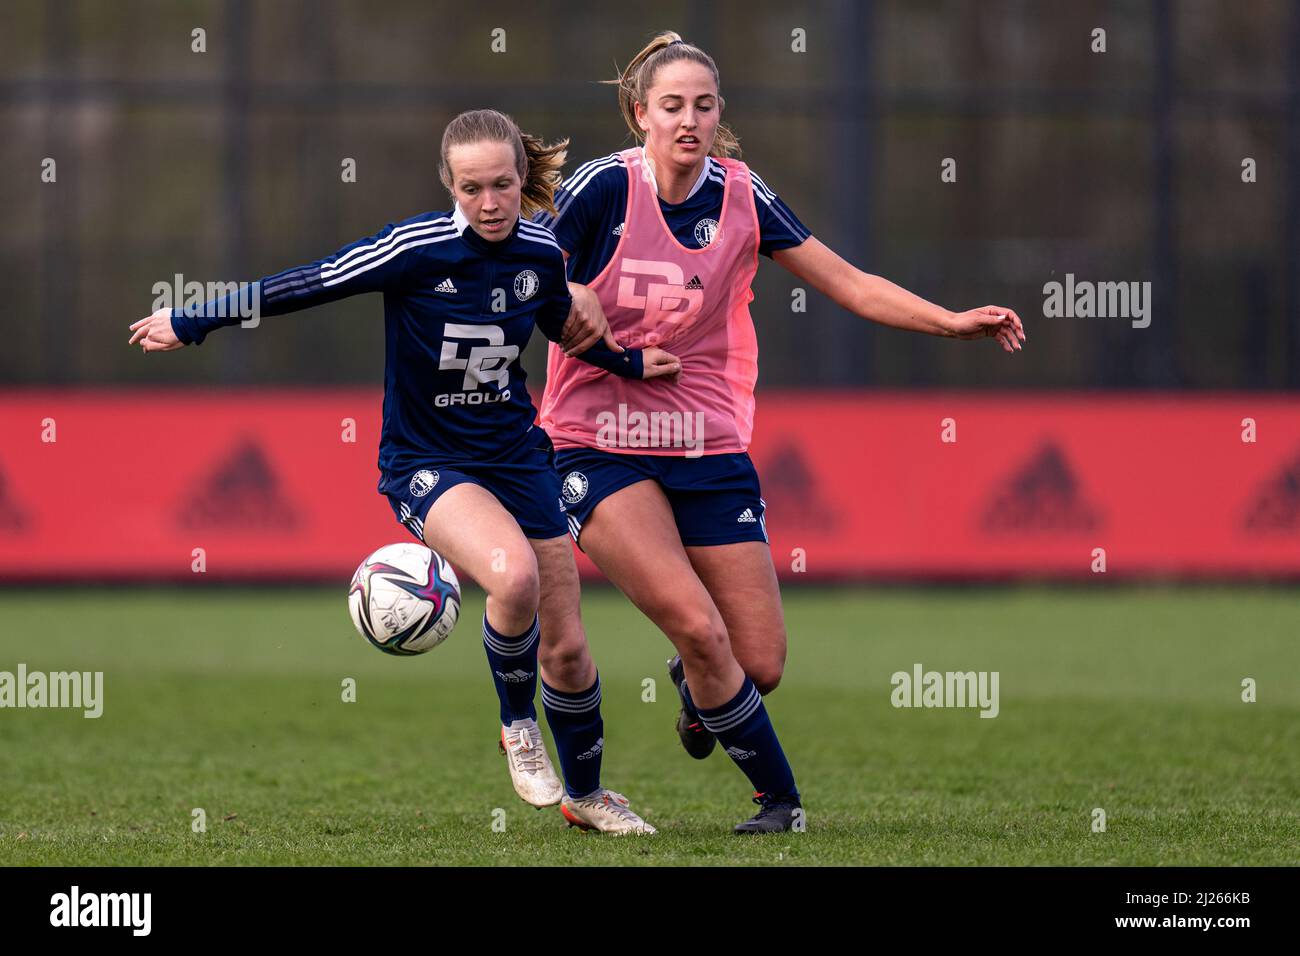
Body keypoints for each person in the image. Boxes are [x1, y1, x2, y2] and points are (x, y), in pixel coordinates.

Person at [128, 108, 683, 835]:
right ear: (449, 185)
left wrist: (627, 361)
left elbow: (558, 326)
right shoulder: (414, 248)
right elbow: (311, 281)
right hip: (428, 462)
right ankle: (518, 729)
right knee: (511, 577)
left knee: (570, 647)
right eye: (472, 188)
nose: (489, 203)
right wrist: (195, 320)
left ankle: (587, 795)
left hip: (517, 454)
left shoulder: (543, 251)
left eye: (504, 185)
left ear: (523, 179)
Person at [535, 33, 1026, 834]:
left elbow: (851, 284)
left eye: (703, 105)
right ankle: (781, 804)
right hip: (597, 440)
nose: (688, 120)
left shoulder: (742, 194)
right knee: (699, 626)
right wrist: (603, 341)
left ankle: (700, 693)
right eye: (671, 106)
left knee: (755, 662)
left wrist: (951, 323)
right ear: (640, 115)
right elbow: (533, 288)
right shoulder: (601, 190)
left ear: (719, 113)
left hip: (707, 443)